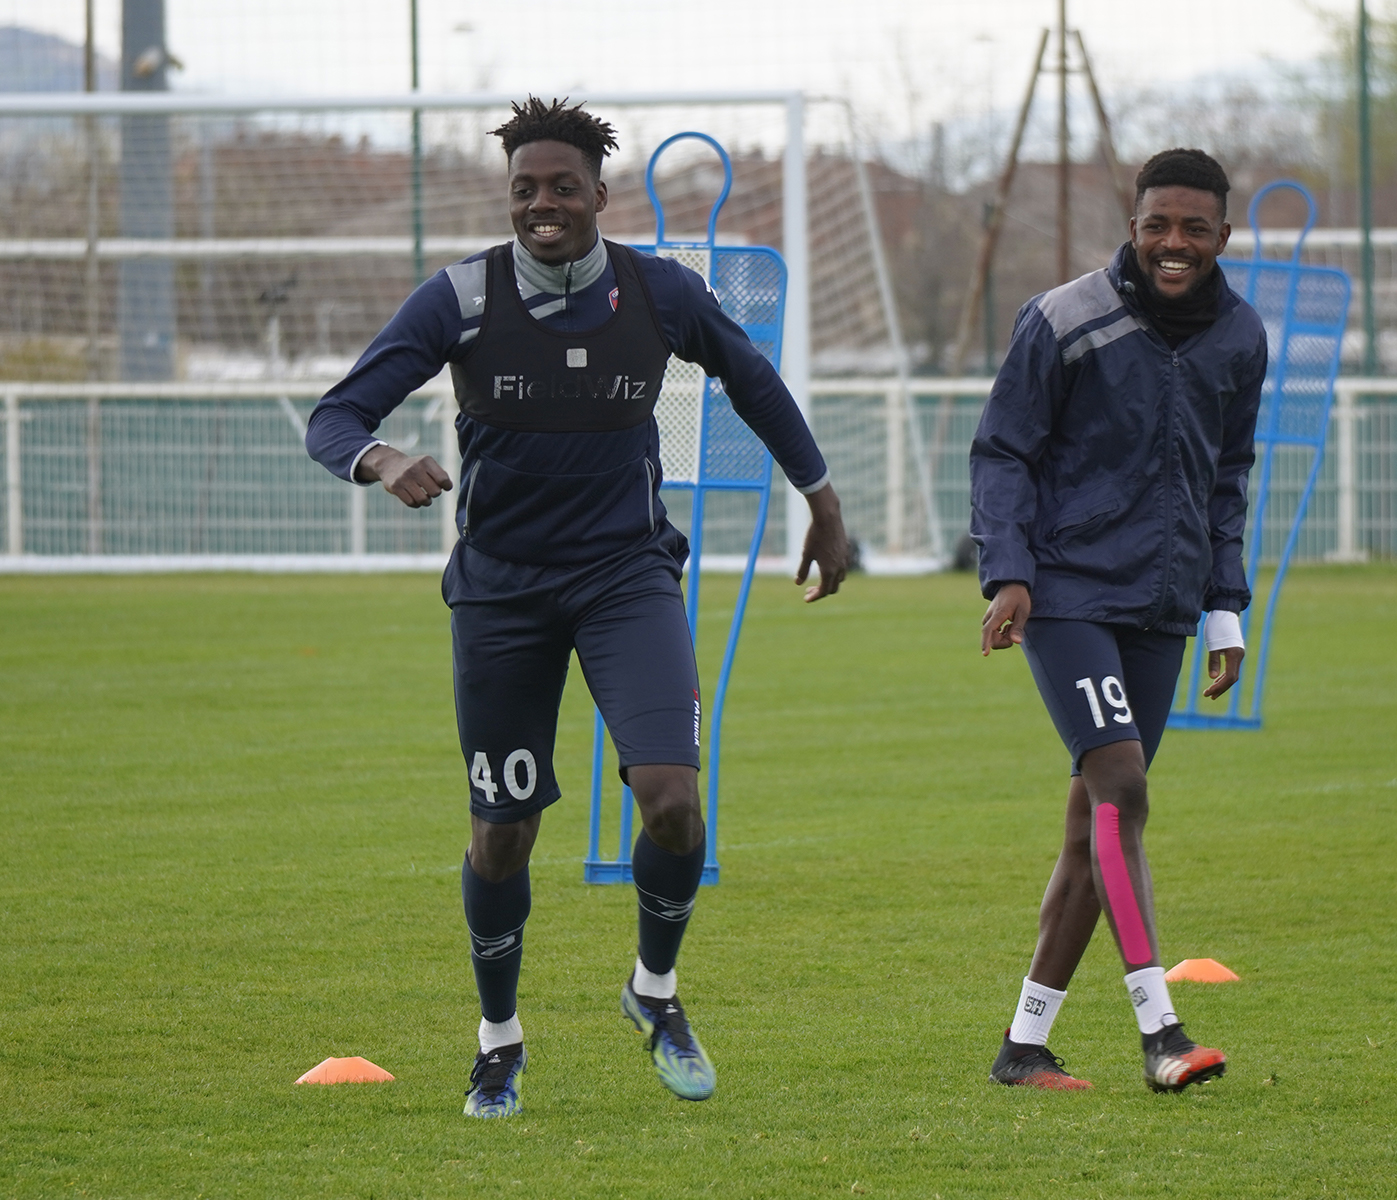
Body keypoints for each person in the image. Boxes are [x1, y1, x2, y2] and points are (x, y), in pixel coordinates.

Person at [305, 97, 848, 1115]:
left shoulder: (659, 293)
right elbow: (335, 415)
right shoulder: (460, 296)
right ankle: (499, 1041)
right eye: (525, 189)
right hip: (502, 592)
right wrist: (378, 459)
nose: (542, 205)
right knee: (502, 833)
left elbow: (753, 380)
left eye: (562, 187)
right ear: (507, 198)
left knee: (675, 803)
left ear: (600, 194)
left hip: (625, 576)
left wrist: (820, 500)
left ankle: (654, 991)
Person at [969, 148, 1266, 1094]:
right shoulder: (1063, 318)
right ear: (1132, 226)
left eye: (1194, 228)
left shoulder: (1241, 338)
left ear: (1223, 235)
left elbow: (1227, 479)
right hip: (1066, 592)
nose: (1173, 244)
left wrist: (1223, 606)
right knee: (1124, 792)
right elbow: (1003, 453)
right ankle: (1160, 1033)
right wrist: (1009, 574)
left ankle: (1023, 1048)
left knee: (1091, 827)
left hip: (1165, 604)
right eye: (1156, 225)